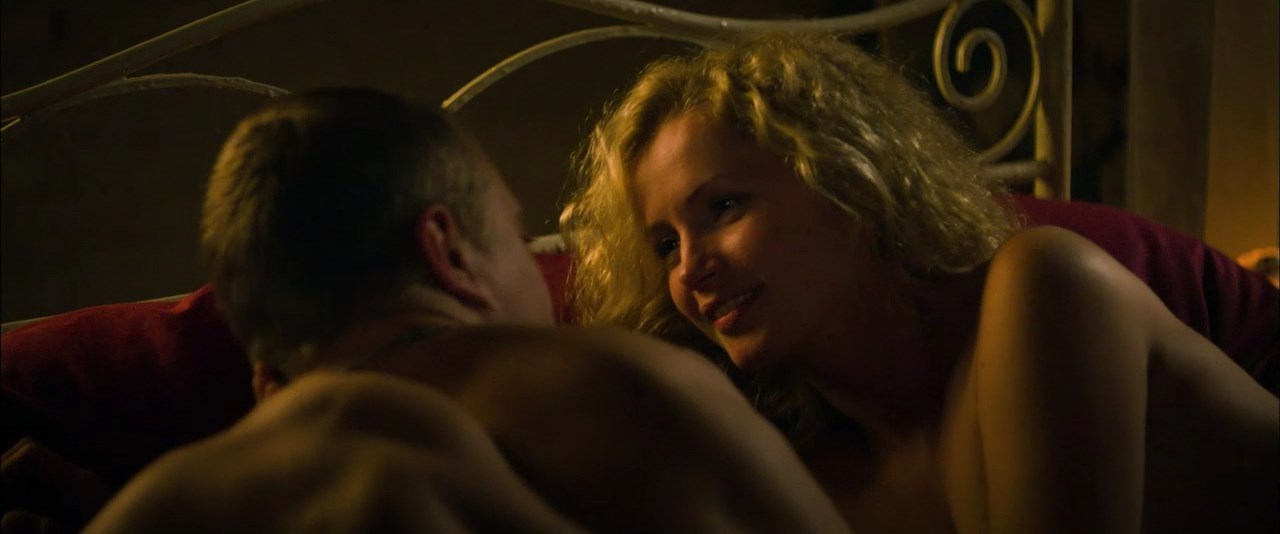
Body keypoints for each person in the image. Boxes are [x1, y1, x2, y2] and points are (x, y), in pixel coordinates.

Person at [561, 33, 1279, 533]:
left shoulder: (1044, 287)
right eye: (665, 246)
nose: (690, 268)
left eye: (723, 207)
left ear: (845, 179)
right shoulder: (821, 470)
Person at [86, 88, 851, 533]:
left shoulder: (152, 509)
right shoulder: (629, 389)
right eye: (516, 239)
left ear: (264, 376)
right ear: (447, 250)